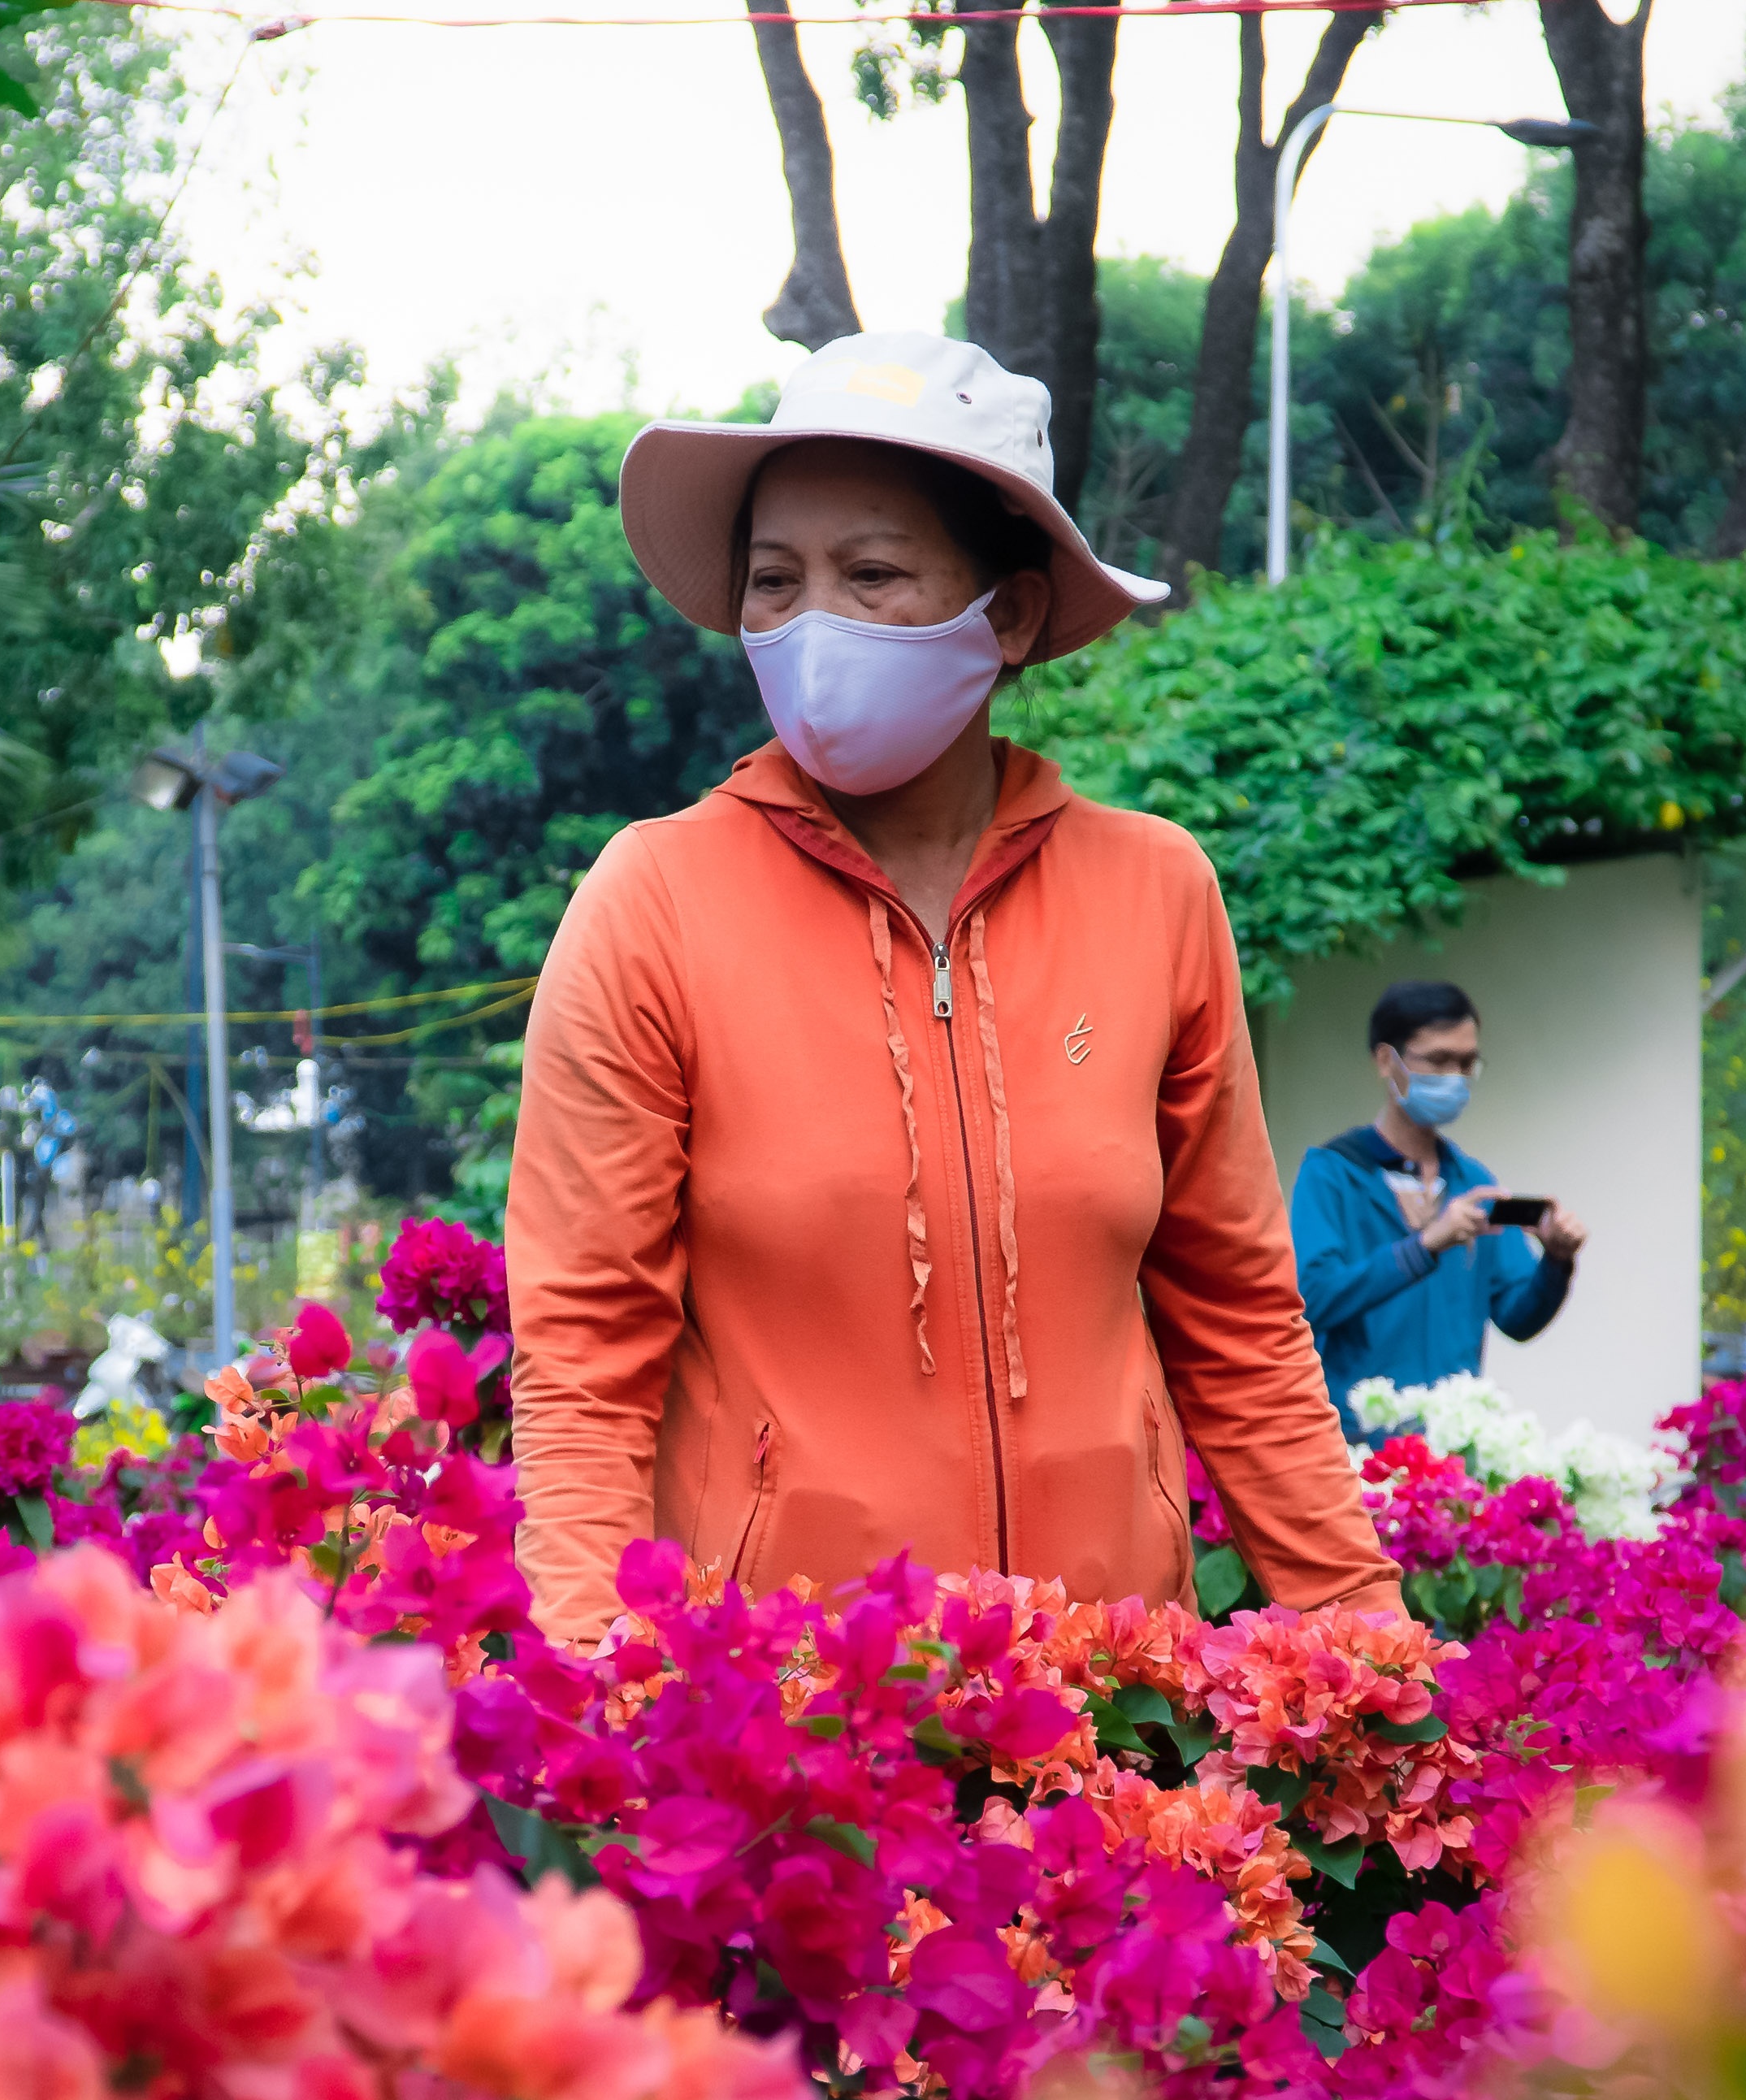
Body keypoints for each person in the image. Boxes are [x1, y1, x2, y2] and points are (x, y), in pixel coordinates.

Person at [505, 329, 1397, 1646]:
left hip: (1110, 1709)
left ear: (1013, 614)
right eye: (773, 581)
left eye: (871, 574)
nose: (814, 625)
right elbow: (584, 1350)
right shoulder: (653, 904)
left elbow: (1246, 1324)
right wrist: (587, 1662)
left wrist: (1367, 1636)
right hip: (784, 1732)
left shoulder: (1157, 893)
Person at [1287, 980, 1588, 1434]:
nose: (1455, 1078)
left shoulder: (1473, 1182)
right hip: (1355, 1446)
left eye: (1467, 1063)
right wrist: (1426, 1244)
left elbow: (1518, 1319)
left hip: (1452, 1451)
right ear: (1386, 1060)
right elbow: (1313, 1300)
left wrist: (1557, 1261)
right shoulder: (1333, 1174)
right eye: (1439, 1061)